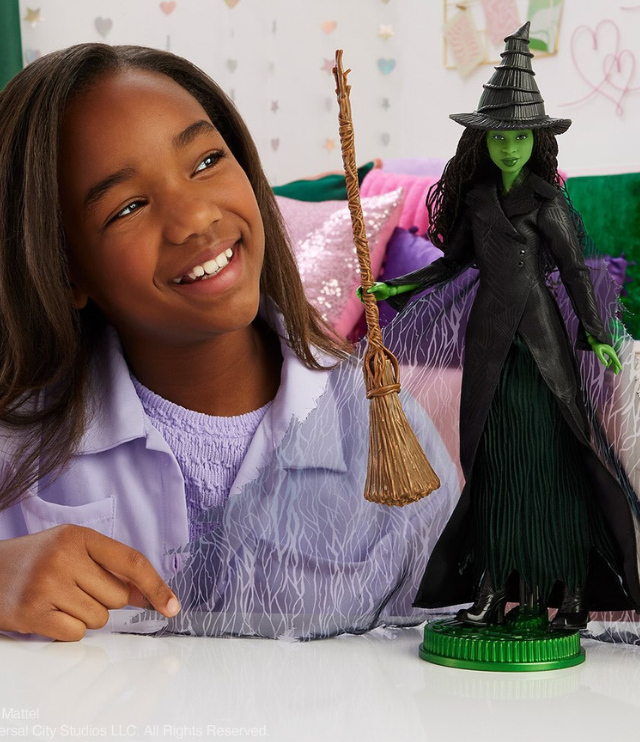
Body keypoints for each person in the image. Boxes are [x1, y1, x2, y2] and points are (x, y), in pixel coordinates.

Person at [0, 43, 458, 643]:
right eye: (129, 207)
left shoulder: (381, 431)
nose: (195, 219)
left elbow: (449, 649)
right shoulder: (18, 443)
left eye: (207, 161)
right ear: (66, 271)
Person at [361, 23, 640, 632]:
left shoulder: (548, 203)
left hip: (541, 346)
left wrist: (596, 334)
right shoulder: (478, 202)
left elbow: (574, 273)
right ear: (481, 141)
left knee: (550, 464)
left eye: (519, 137)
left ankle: (565, 592)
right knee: (492, 465)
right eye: (498, 137)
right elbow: (452, 264)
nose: (509, 148)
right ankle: (494, 589)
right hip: (489, 342)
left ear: (536, 139)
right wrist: (396, 287)